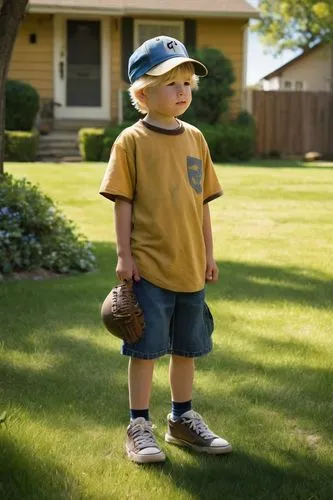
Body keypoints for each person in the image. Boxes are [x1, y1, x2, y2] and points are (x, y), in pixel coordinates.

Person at [99, 35, 232, 464]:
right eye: (170, 83)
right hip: (149, 267)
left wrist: (209, 254)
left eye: (187, 83)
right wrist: (124, 255)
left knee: (186, 350)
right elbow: (123, 201)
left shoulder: (195, 139)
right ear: (142, 92)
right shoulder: (131, 141)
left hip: (190, 266)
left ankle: (181, 420)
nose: (181, 91)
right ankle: (139, 425)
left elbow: (203, 205)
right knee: (145, 350)